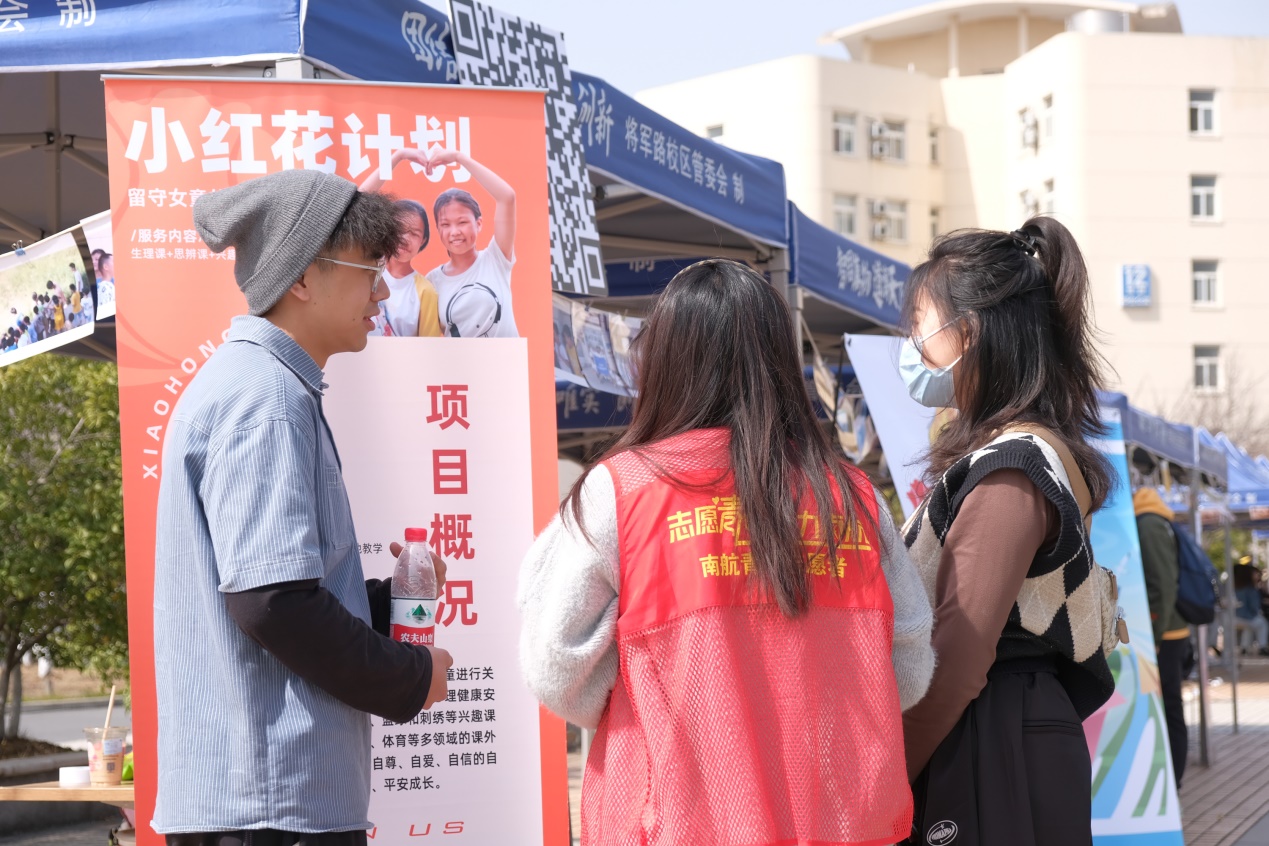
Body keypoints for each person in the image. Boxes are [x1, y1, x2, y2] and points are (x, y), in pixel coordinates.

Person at [519, 259, 934, 846]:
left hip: (682, 822)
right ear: (780, 360)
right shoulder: (852, 497)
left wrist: (658, 688)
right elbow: (909, 669)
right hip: (837, 823)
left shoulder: (621, 492)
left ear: (664, 361)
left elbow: (557, 667)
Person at [154, 169, 455, 846]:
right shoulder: (265, 397)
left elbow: (276, 591)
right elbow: (272, 603)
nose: (382, 291)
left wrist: (386, 597)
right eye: (368, 269)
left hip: (264, 800)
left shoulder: (267, 387)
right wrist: (409, 678)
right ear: (301, 278)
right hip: (269, 805)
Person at [898, 218, 1117, 846]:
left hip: (986, 737)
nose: (913, 346)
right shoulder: (1022, 453)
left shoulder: (1010, 469)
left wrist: (886, 775)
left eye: (921, 324)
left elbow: (958, 658)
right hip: (998, 732)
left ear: (970, 332)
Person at [424, 149, 519, 338]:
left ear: (478, 223)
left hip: (506, 357)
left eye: (462, 222)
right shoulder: (432, 281)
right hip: (459, 359)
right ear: (438, 229)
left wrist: (459, 158)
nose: (454, 232)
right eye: (445, 224)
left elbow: (507, 197)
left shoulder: (495, 259)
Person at [1134, 487, 1189, 788]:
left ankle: (1173, 780)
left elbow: (1163, 586)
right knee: (1168, 706)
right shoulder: (1158, 520)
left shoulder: (1149, 524)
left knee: (1168, 706)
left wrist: (1153, 636)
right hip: (1169, 630)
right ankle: (1171, 778)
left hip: (1165, 633)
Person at [357, 151, 443, 338]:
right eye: (400, 229)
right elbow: (359, 204)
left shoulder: (425, 291)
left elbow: (430, 346)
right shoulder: (365, 268)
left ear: (423, 241)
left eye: (414, 233)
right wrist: (398, 156)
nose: (405, 238)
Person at [1234, 565, 1269, 656]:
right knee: (1262, 623)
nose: (1258, 576)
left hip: (1233, 617)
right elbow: (1254, 607)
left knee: (1249, 626)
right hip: (1245, 616)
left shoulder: (1236, 586)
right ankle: (1262, 646)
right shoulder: (1250, 589)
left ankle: (1244, 647)